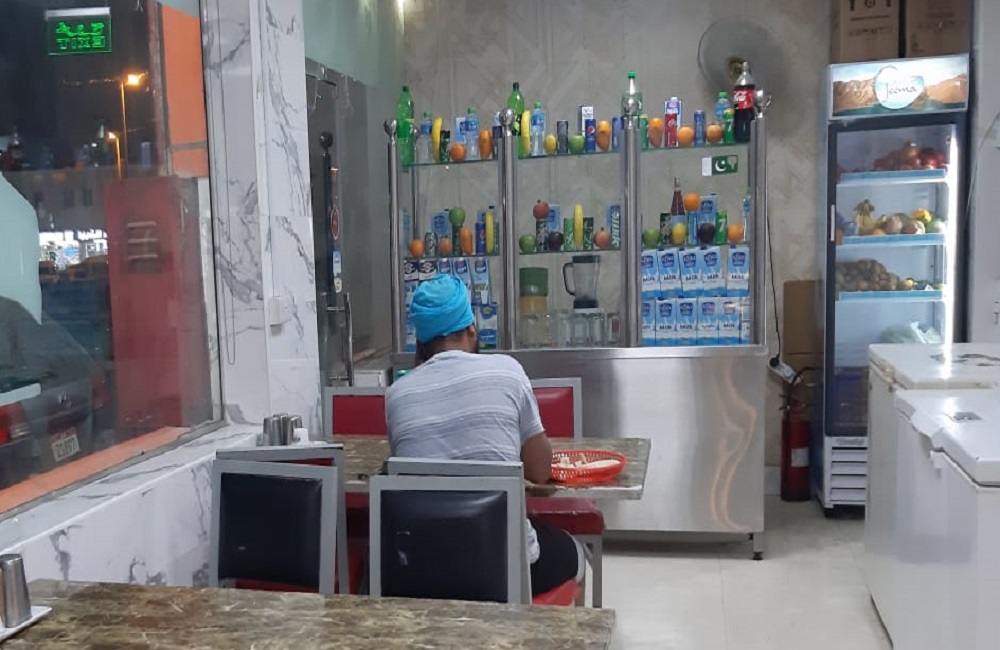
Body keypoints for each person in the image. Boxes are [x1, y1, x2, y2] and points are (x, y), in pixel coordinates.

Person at [385, 274, 583, 596]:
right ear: (471, 330)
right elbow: (540, 471)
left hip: (423, 568)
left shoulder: (397, 394)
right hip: (504, 565)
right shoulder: (508, 371)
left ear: (419, 343)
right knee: (576, 554)